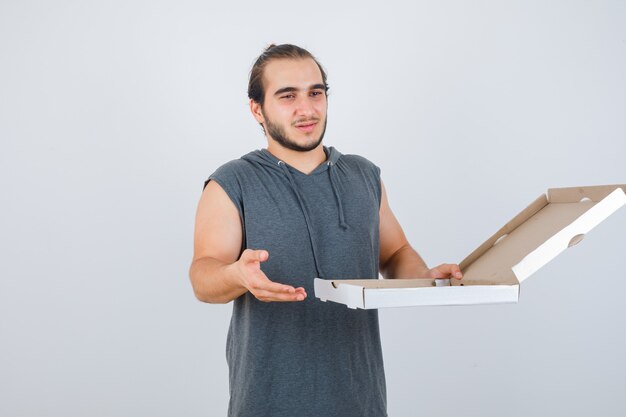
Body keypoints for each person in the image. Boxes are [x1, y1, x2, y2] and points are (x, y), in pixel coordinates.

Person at [189, 44, 463, 417]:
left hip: (360, 401)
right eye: (288, 96)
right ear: (257, 109)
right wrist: (237, 274)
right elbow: (203, 277)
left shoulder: (363, 175)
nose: (307, 109)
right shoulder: (232, 182)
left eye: (316, 93)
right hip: (268, 403)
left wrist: (425, 278)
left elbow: (395, 253)